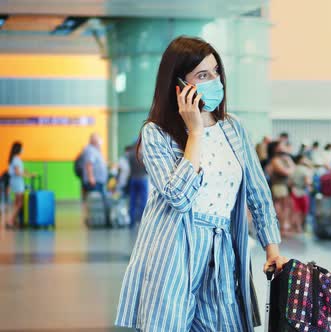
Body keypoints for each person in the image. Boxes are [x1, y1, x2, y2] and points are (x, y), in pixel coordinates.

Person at [115, 36, 288, 332]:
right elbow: (179, 197)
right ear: (179, 85)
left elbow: (258, 193)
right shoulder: (157, 134)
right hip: (174, 250)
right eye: (203, 75)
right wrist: (195, 133)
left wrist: (272, 248)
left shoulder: (233, 129)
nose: (214, 81)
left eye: (216, 72)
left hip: (223, 250)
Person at [267, 140, 296, 235]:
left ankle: (283, 227)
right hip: (278, 186)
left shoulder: (282, 159)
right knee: (280, 206)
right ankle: (280, 228)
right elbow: (286, 171)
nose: (283, 147)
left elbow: (291, 169)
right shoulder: (275, 160)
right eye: (281, 146)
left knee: (285, 206)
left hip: (283, 186)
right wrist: (289, 165)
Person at [6, 142, 33, 228]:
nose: (23, 150)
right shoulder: (16, 159)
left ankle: (13, 220)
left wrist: (25, 171)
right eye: (22, 148)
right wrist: (27, 175)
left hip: (14, 181)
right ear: (18, 149)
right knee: (20, 203)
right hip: (18, 182)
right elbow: (17, 173)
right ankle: (10, 220)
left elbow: (18, 170)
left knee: (16, 202)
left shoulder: (13, 159)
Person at [127, 141, 149, 225]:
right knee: (143, 200)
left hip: (133, 179)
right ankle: (142, 221)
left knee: (132, 200)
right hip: (142, 179)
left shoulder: (131, 155)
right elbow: (147, 168)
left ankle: (131, 221)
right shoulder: (143, 155)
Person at [290, 155, 313, 233]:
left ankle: (298, 227)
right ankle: (301, 227)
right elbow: (308, 181)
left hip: (294, 190)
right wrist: (310, 186)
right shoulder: (305, 169)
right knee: (304, 210)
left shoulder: (294, 168)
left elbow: (290, 181)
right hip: (303, 191)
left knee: (296, 210)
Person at [82, 133, 108, 197]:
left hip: (98, 181)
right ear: (94, 140)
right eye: (98, 139)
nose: (100, 141)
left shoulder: (96, 150)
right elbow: (89, 164)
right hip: (94, 182)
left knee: (98, 202)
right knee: (95, 202)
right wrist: (91, 178)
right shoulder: (90, 150)